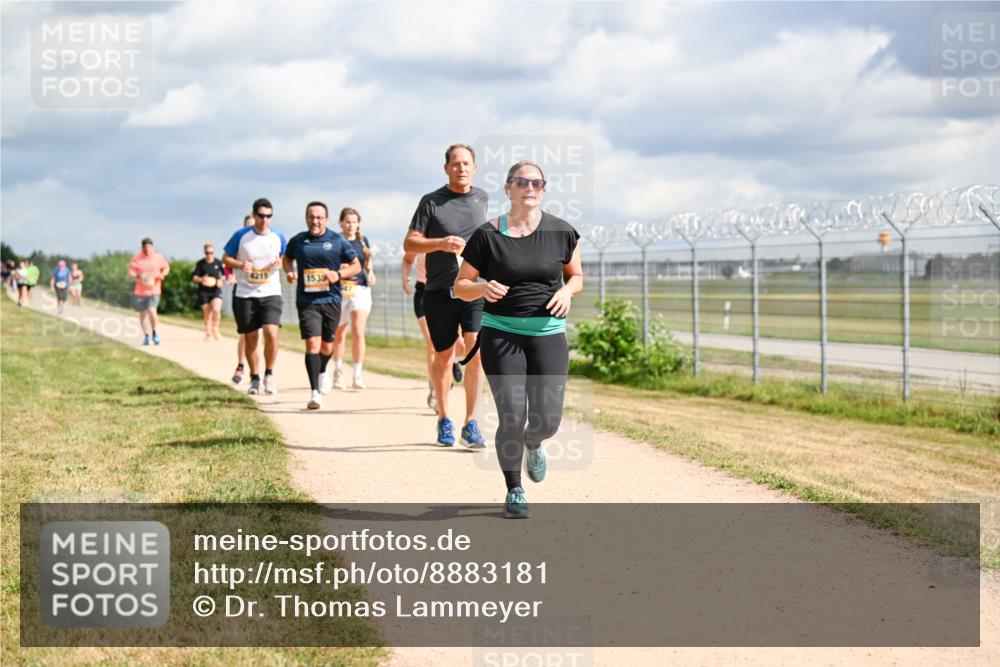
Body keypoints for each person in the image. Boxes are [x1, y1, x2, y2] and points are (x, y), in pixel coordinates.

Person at [454, 160, 583, 519]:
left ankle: (534, 440)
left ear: (544, 189)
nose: (530, 188)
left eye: (537, 183)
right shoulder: (487, 235)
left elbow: (576, 276)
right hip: (501, 333)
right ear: (508, 188)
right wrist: (482, 288)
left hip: (547, 334)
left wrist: (567, 292)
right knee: (511, 414)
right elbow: (460, 286)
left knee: (547, 419)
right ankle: (514, 489)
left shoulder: (561, 231)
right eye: (521, 182)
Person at [403, 143, 488, 448]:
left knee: (475, 354)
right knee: (443, 356)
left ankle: (471, 422)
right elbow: (409, 243)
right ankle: (444, 418)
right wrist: (440, 243)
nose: (461, 168)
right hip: (439, 289)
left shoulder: (482, 199)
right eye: (455, 163)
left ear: (474, 168)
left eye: (466, 163)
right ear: (446, 168)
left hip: (475, 289)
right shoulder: (431, 202)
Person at [283, 201, 361, 409]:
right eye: (311, 217)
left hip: (332, 300)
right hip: (307, 301)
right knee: (312, 344)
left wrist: (338, 274)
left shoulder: (337, 240)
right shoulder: (298, 241)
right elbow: (287, 259)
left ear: (326, 219)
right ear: (306, 218)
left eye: (319, 217)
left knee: (327, 346)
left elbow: (356, 266)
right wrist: (289, 272)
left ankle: (323, 370)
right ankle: (315, 393)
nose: (315, 221)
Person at [223, 199, 286, 395]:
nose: (265, 220)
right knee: (251, 338)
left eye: (269, 216)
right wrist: (241, 265)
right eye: (261, 216)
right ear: (254, 215)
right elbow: (225, 258)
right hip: (246, 293)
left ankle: (269, 374)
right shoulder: (241, 236)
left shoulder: (278, 236)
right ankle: (255, 377)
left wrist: (281, 263)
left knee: (271, 333)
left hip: (271, 292)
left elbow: (286, 257)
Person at [331, 207, 376, 390]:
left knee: (358, 331)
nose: (351, 225)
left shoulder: (362, 241)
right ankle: (338, 371)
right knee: (339, 333)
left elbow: (367, 261)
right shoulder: (334, 240)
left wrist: (371, 272)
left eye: (354, 222)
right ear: (341, 223)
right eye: (348, 222)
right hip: (340, 290)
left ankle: (357, 374)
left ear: (358, 224)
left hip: (360, 289)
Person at [128, 238, 171, 346]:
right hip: (140, 291)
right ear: (142, 247)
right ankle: (146, 335)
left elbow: (166, 267)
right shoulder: (136, 259)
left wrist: (163, 274)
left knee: (152, 311)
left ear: (152, 247)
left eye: (149, 248)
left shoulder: (158, 257)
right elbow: (131, 274)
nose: (147, 250)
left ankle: (154, 333)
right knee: (143, 314)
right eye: (145, 248)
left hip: (154, 289)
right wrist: (138, 276)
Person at [228, 214, 254, 384]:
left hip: (263, 292)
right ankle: (241, 366)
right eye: (248, 226)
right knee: (246, 333)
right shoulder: (239, 241)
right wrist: (230, 275)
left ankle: (257, 371)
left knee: (261, 332)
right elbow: (227, 262)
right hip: (242, 291)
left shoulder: (267, 241)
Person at [192, 243, 225, 340]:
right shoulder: (200, 264)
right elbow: (194, 277)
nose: (209, 255)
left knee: (216, 309)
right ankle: (208, 332)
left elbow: (224, 275)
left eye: (211, 253)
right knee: (207, 312)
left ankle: (216, 328)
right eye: (207, 253)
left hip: (215, 290)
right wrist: (201, 279)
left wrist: (221, 280)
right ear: (204, 252)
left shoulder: (218, 263)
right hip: (204, 291)